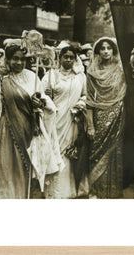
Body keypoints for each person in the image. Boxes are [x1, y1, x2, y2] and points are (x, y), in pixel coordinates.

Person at [0, 44, 60, 199]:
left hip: (29, 127)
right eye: (15, 59)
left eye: (22, 60)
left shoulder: (32, 77)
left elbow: (44, 101)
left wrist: (40, 104)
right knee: (7, 167)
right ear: (8, 59)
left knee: (28, 167)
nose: (19, 63)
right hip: (8, 130)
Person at [42, 42, 87, 199]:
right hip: (54, 119)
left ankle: (67, 191)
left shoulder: (80, 77)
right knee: (54, 151)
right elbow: (40, 96)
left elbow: (86, 95)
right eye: (65, 57)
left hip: (72, 119)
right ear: (60, 58)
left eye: (71, 58)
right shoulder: (50, 76)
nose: (68, 60)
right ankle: (52, 192)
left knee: (68, 153)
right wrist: (46, 96)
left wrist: (80, 106)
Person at [86, 37, 127, 198]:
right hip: (99, 116)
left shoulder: (121, 71)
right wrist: (90, 125)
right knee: (97, 152)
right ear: (97, 52)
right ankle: (96, 191)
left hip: (118, 114)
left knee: (115, 152)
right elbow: (89, 100)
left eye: (108, 48)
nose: (105, 51)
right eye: (102, 48)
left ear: (114, 51)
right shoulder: (91, 72)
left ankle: (113, 192)